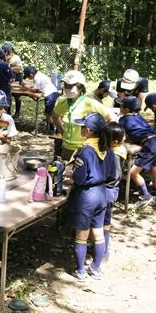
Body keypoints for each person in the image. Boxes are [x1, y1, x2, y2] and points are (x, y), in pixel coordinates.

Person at [63, 113, 115, 281]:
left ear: (89, 130)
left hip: (86, 196)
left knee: (82, 235)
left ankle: (80, 271)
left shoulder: (86, 150)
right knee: (98, 233)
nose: (80, 129)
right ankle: (96, 268)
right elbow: (112, 173)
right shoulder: (107, 148)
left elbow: (79, 178)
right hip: (102, 193)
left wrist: (69, 177)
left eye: (82, 126)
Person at [52, 70, 115, 161]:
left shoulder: (90, 103)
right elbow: (55, 116)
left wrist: (103, 137)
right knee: (65, 172)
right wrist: (62, 132)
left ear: (80, 88)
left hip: (84, 149)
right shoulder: (62, 102)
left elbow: (112, 118)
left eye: (71, 86)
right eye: (66, 85)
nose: (67, 88)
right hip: (66, 148)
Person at [116, 96, 156, 209]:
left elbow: (120, 135)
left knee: (133, 173)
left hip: (150, 145)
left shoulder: (123, 119)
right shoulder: (139, 116)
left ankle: (146, 196)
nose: (120, 107)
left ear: (127, 110)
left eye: (121, 106)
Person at [103, 122, 126, 261]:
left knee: (104, 223)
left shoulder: (115, 154)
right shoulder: (117, 149)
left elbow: (113, 176)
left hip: (108, 191)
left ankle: (104, 250)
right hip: (109, 190)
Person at [24, 65, 60, 134]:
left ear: (31, 74)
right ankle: (56, 128)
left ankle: (52, 129)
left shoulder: (36, 78)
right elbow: (38, 86)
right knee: (55, 112)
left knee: (48, 114)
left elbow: (35, 90)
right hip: (55, 93)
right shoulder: (40, 74)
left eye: (28, 77)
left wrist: (26, 88)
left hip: (50, 96)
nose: (28, 78)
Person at [2, 44, 24, 119]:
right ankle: (8, 112)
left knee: (17, 96)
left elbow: (19, 68)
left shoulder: (15, 58)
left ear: (10, 51)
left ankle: (17, 113)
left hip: (17, 77)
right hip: (10, 77)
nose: (5, 54)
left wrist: (9, 68)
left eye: (6, 52)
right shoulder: (7, 57)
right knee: (9, 95)